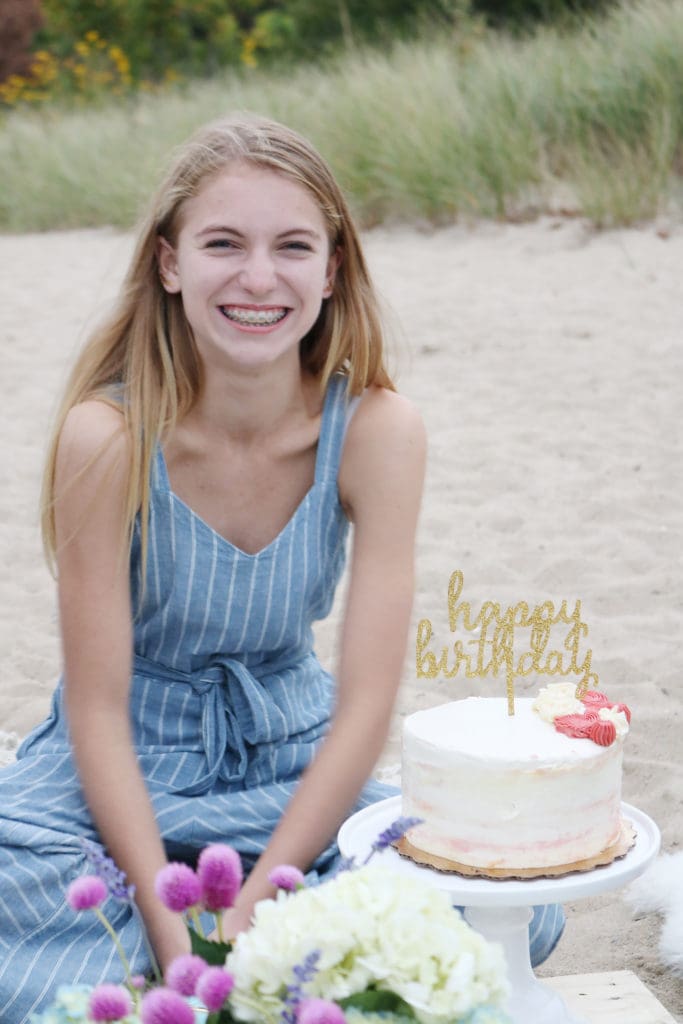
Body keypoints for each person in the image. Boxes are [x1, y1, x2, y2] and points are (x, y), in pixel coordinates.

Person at [0, 114, 562, 1022]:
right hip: (121, 768)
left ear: (332, 269)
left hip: (289, 765)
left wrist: (259, 904)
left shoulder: (375, 432)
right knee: (22, 898)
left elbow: (366, 705)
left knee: (506, 910)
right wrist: (167, 920)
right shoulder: (105, 436)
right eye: (223, 243)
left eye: (292, 246)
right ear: (170, 262)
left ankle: (244, 950)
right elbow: (96, 706)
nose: (258, 278)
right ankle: (205, 954)